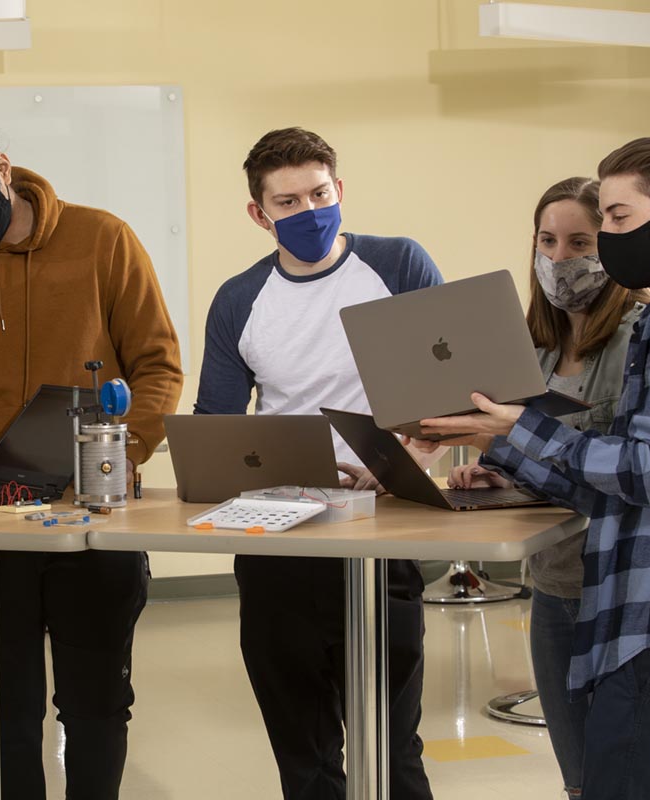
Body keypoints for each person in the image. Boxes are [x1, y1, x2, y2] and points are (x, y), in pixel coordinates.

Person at [418, 138, 650, 800]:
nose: (605, 238)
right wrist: (503, 443)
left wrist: (520, 426)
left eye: (618, 218)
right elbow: (618, 487)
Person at [0, 104, 183, 799]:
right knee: (4, 706)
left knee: (96, 702)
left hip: (93, 506)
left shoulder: (102, 239)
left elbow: (158, 366)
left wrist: (125, 451)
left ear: (4, 171)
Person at [194, 127, 440, 800]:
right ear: (259, 214)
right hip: (280, 544)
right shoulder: (240, 299)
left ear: (340, 190)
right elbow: (215, 428)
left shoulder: (398, 265)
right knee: (304, 757)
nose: (309, 211)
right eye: (288, 202)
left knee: (392, 750)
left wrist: (403, 465)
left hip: (384, 535)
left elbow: (450, 394)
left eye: (320, 193)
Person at [448, 176, 649, 800]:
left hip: (624, 591)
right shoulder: (530, 350)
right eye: (547, 240)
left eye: (580, 242)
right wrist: (496, 466)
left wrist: (512, 445)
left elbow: (626, 467)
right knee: (580, 782)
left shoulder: (639, 337)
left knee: (633, 779)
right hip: (555, 583)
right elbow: (540, 458)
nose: (559, 259)